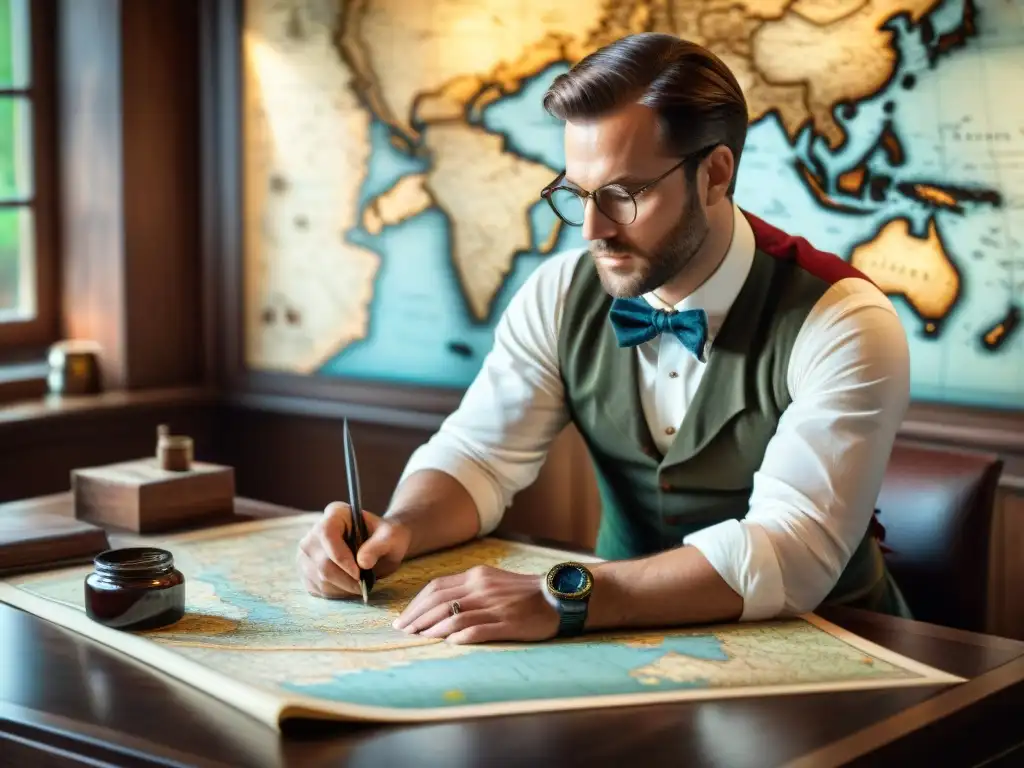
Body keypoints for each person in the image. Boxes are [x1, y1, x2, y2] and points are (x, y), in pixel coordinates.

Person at [297, 32, 912, 645]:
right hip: (619, 650)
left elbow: (791, 552)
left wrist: (564, 597)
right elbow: (478, 457)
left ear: (715, 174)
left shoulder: (845, 321)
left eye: (622, 194)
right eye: (578, 193)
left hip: (836, 646)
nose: (593, 229)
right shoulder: (560, 293)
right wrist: (398, 529)